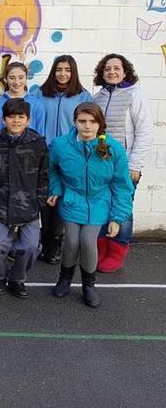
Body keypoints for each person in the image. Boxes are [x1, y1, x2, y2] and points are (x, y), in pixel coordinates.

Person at [48, 102, 133, 307]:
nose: (87, 126)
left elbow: (122, 186)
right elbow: (52, 170)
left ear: (100, 123)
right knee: (72, 242)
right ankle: (65, 279)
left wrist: (116, 217)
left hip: (99, 202)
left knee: (87, 241)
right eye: (82, 121)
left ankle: (89, 285)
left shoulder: (113, 148)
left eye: (93, 121)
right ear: (75, 122)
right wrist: (56, 190)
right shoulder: (60, 145)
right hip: (71, 200)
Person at [91, 54, 153, 273]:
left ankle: (117, 251)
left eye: (117, 68)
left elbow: (145, 132)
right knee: (101, 208)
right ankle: (101, 249)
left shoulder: (134, 95)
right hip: (100, 166)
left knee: (123, 209)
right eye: (107, 68)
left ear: (125, 71)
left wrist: (135, 165)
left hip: (124, 166)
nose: (112, 72)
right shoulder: (97, 96)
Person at [0, 98, 49, 299]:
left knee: (30, 246)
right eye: (12, 117)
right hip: (1, 205)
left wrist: (39, 200)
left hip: (29, 206)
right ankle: (0, 277)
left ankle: (18, 278)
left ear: (28, 120)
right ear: (4, 120)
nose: (16, 121)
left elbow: (45, 175)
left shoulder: (38, 143)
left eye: (21, 117)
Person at [30, 55, 92, 265]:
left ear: (73, 72)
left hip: (70, 155)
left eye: (67, 70)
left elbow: (87, 126)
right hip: (44, 153)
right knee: (47, 200)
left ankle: (56, 244)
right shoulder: (39, 93)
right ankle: (44, 242)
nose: (63, 73)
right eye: (59, 69)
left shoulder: (83, 96)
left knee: (63, 199)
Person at [0, 62, 46, 134]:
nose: (17, 82)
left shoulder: (37, 104)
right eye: (12, 78)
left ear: (26, 78)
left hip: (30, 145)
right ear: (6, 79)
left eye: (21, 77)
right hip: (1, 144)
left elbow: (40, 132)